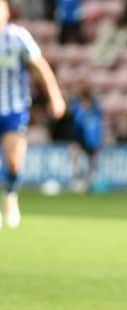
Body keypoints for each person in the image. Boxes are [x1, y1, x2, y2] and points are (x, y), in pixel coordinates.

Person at [0, 0, 65, 228]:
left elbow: (40, 66)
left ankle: (10, 197)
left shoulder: (18, 37)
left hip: (14, 108)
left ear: (7, 13)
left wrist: (55, 96)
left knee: (14, 162)